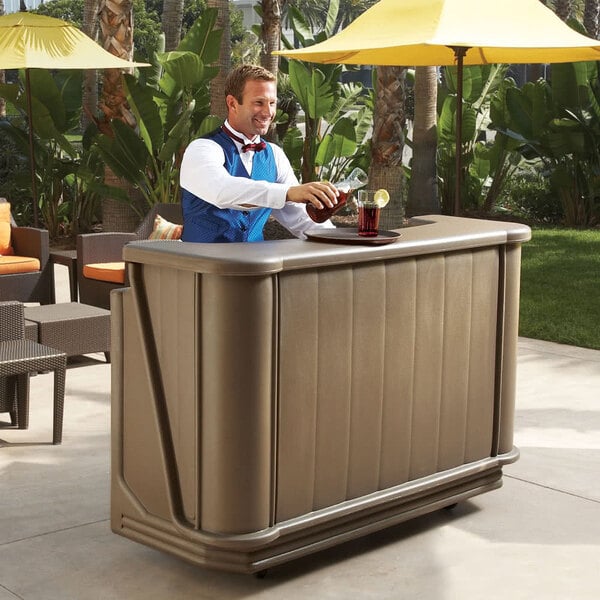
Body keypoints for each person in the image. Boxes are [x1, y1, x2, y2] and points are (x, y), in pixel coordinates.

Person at [180, 64, 338, 242]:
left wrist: (341, 241)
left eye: (272, 103)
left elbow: (300, 218)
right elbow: (222, 191)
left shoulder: (275, 155)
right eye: (258, 103)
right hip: (202, 264)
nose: (268, 112)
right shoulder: (201, 149)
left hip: (256, 264)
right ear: (232, 103)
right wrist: (288, 192)